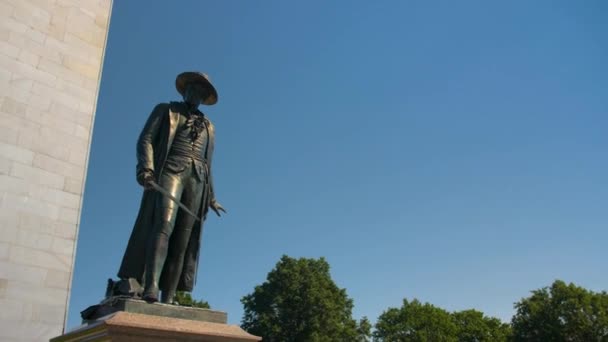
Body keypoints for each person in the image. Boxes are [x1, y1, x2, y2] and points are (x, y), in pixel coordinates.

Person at [117, 71, 225, 304]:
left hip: (197, 179)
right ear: (186, 90)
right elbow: (145, 139)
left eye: (202, 92)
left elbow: (208, 163)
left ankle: (170, 293)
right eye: (194, 88)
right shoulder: (166, 110)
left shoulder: (209, 127)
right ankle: (151, 286)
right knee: (164, 224)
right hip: (171, 170)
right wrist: (146, 169)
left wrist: (212, 196)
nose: (196, 94)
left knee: (183, 239)